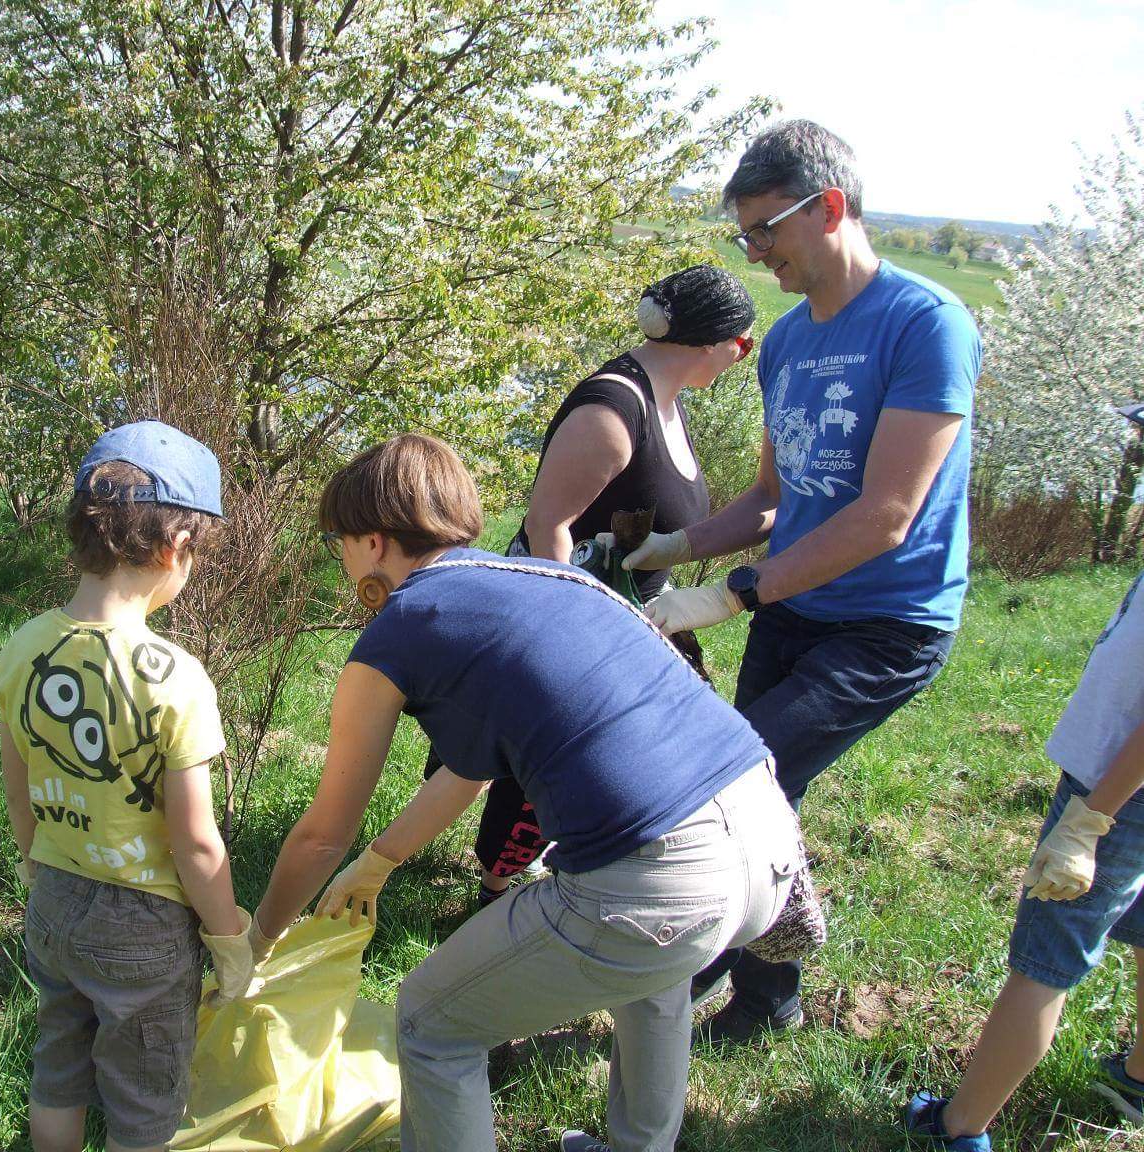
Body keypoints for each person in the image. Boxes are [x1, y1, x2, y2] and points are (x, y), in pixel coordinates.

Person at [247, 433, 802, 1152]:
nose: (342, 560)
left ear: (375, 541)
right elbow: (469, 771)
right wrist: (378, 863)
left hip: (664, 882)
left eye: (340, 543)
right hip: (767, 843)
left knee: (426, 1024)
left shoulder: (401, 628)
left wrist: (256, 942)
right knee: (656, 978)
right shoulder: (551, 579)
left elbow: (321, 833)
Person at [620, 120, 982, 1044]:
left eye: (763, 231)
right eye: (742, 236)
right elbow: (777, 499)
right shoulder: (782, 343)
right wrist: (677, 545)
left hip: (884, 623)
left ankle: (740, 989)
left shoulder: (923, 325)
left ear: (826, 208)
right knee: (763, 793)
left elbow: (884, 515)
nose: (753, 253)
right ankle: (735, 975)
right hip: (793, 606)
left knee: (739, 780)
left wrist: (730, 595)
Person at [439, 265, 756, 912]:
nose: (743, 358)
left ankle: (580, 877)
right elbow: (546, 526)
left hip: (632, 617)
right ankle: (495, 894)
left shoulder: (665, 401)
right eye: (743, 344)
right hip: (571, 616)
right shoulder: (612, 409)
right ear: (712, 341)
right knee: (535, 765)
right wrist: (574, 642)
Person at [0, 421, 256, 1152]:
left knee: (59, 1064)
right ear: (177, 547)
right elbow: (195, 841)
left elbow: (18, 780)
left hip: (52, 897)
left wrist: (31, 857)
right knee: (144, 1098)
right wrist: (228, 936)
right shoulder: (174, 678)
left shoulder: (22, 645)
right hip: (143, 926)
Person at [902, 599, 1144, 1141]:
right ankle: (1140, 1076)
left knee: (1047, 959)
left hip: (1116, 790)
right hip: (1121, 784)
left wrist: (1093, 817)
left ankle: (959, 1128)